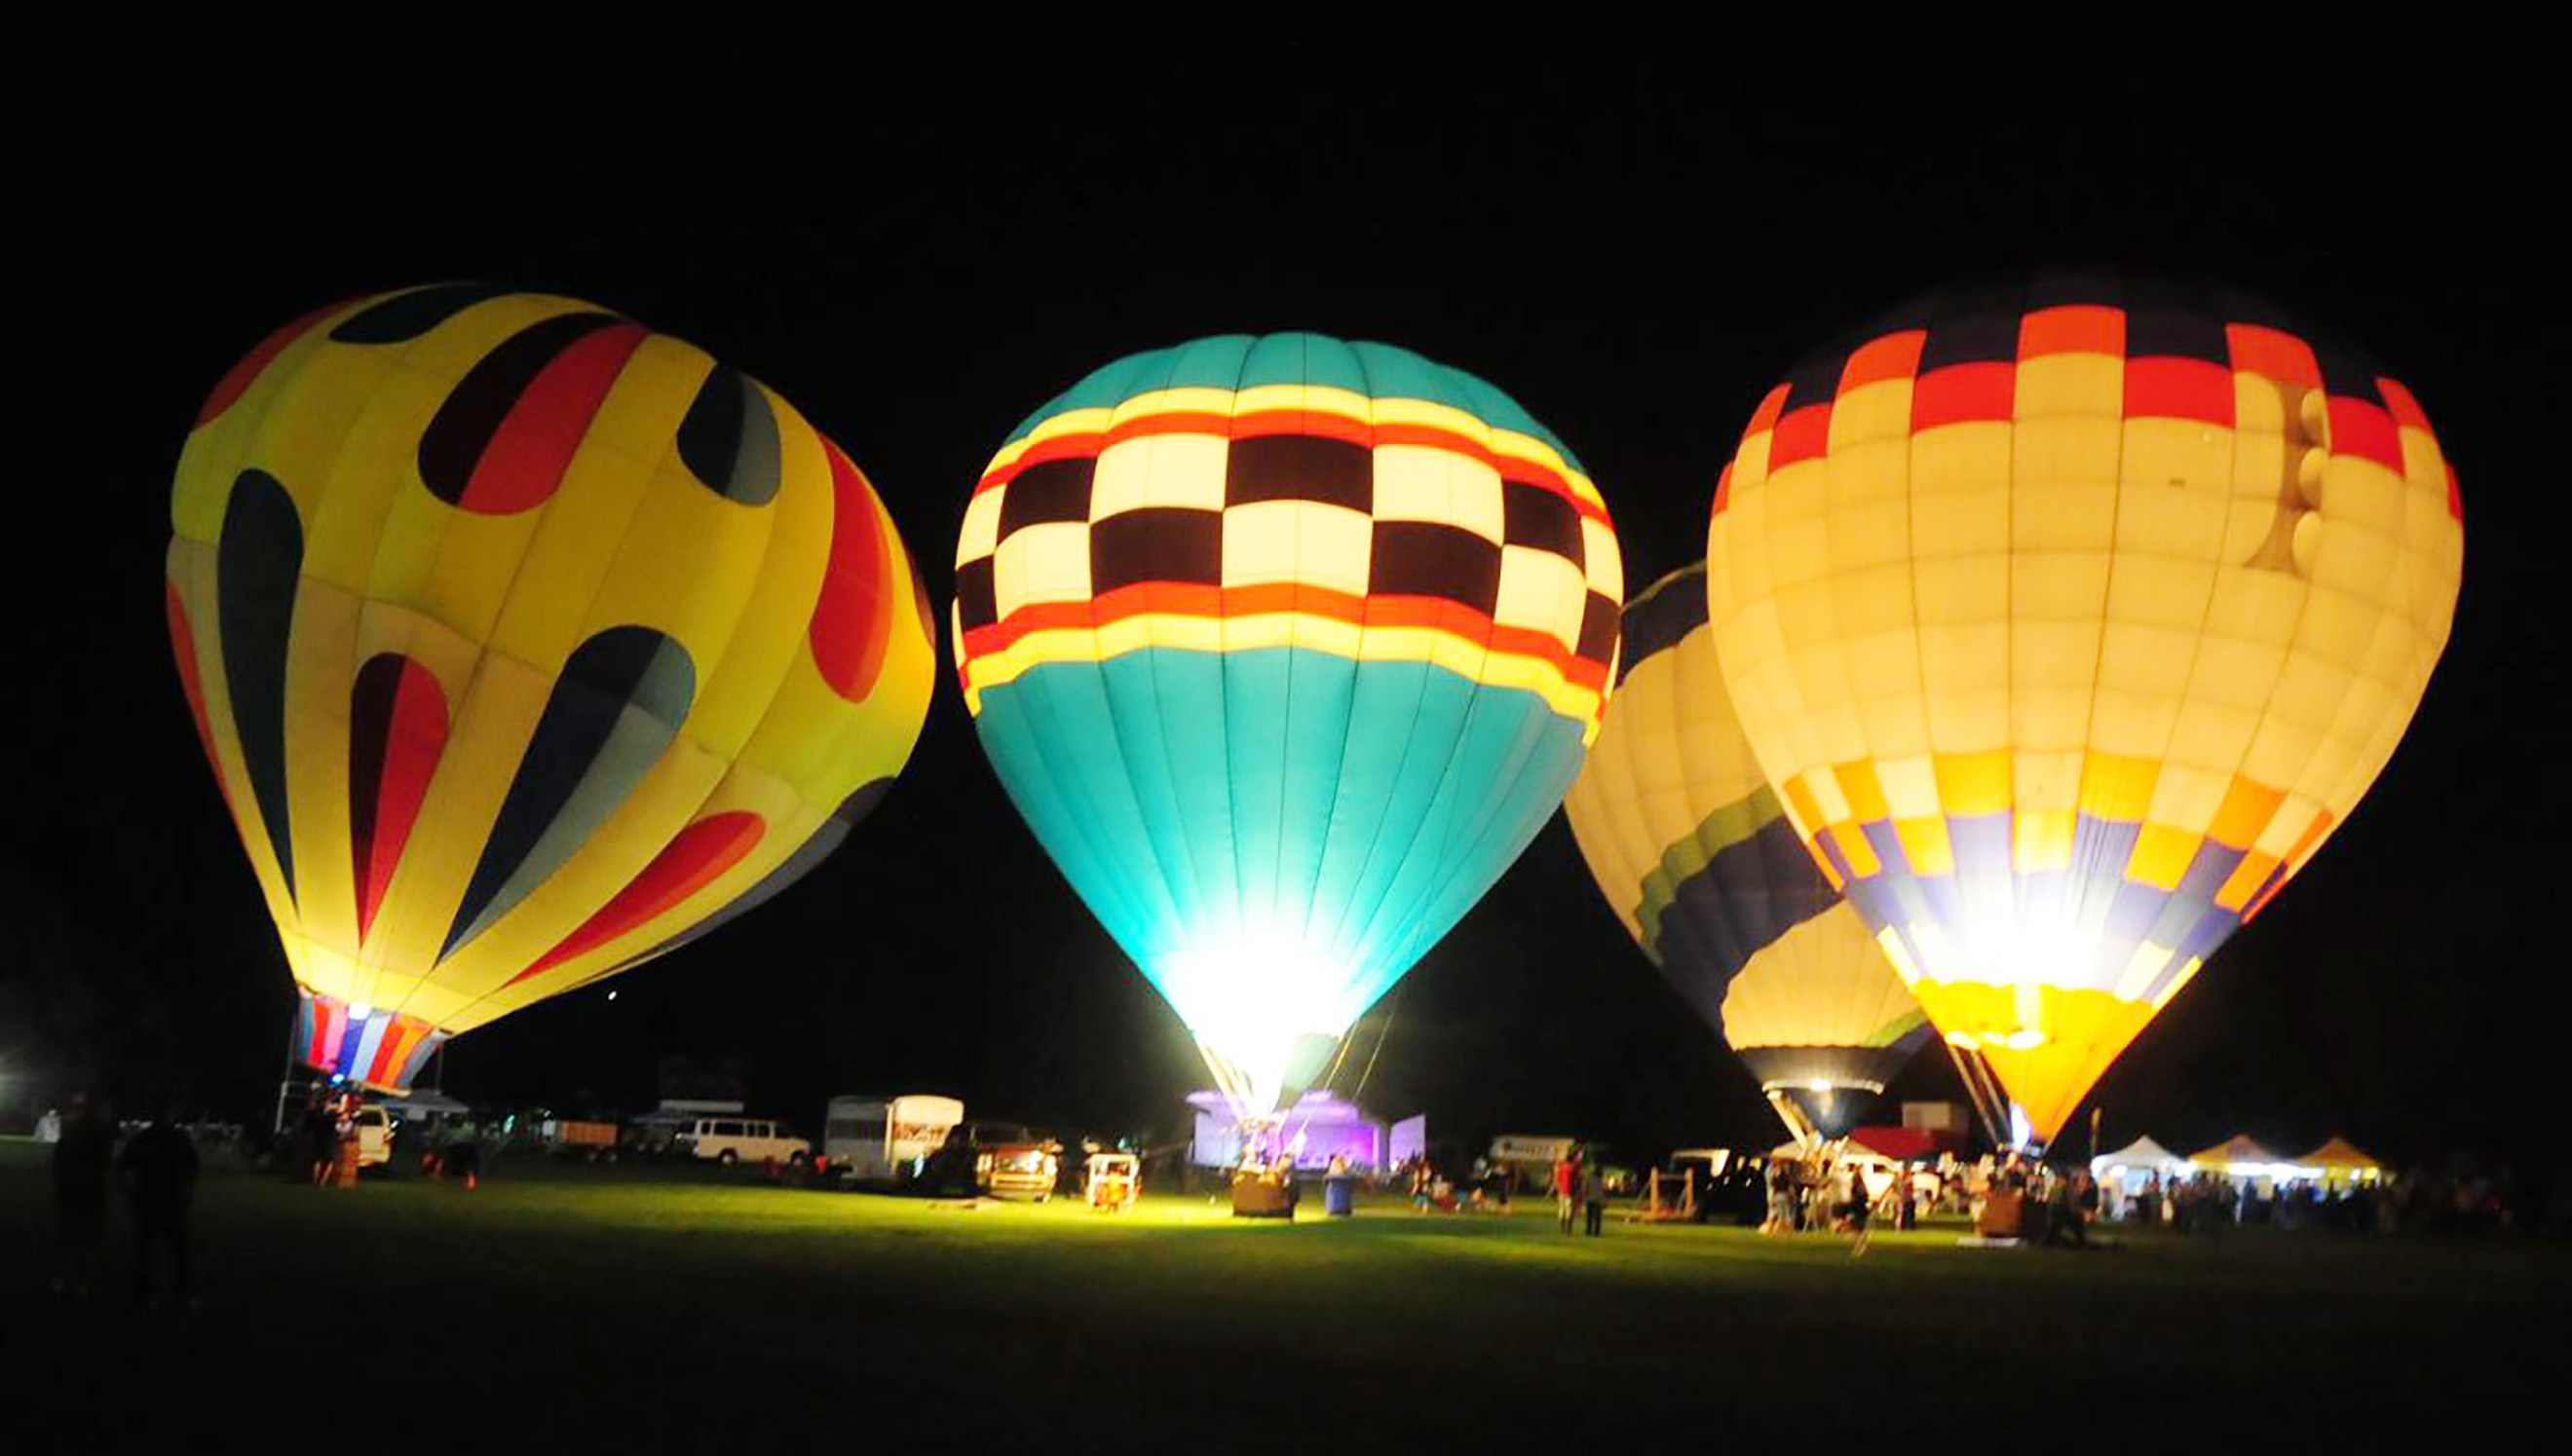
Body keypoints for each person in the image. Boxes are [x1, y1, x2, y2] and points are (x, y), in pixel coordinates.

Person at [119, 1103, 201, 1311]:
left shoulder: (144, 1138)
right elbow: (192, 1167)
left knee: (147, 1250)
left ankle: (146, 1295)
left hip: (149, 1201)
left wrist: (128, 1192)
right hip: (168, 1201)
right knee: (176, 1251)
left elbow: (122, 1166)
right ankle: (177, 1295)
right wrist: (188, 1191)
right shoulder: (177, 1138)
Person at [50, 1093, 113, 1299]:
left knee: (69, 1236)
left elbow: (56, 1163)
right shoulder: (99, 1134)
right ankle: (81, 1281)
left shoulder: (71, 1134)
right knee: (87, 1238)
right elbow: (105, 1164)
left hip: (74, 1190)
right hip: (90, 1190)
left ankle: (65, 1278)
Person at [1844, 1166, 1872, 1256]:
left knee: (1857, 1229)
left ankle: (1860, 1246)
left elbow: (1857, 1198)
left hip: (1858, 1209)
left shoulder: (1858, 1187)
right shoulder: (1861, 1186)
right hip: (1860, 1209)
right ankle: (1861, 1244)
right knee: (1859, 1228)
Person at [1554, 1151, 1579, 1234]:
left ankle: (1562, 1229)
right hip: (1569, 1191)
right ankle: (1568, 1229)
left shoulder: (1561, 1168)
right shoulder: (1572, 1169)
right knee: (1569, 1211)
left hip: (1561, 1191)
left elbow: (1557, 1180)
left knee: (1561, 1210)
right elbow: (1575, 1181)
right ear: (1571, 1160)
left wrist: (1558, 1189)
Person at [1581, 1157, 1607, 1237]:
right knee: (1598, 1218)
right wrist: (1604, 1200)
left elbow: (1585, 1188)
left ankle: (1588, 1231)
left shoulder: (1589, 1178)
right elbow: (1602, 1191)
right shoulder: (1601, 1180)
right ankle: (1596, 1232)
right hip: (1598, 1200)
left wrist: (1584, 1197)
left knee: (1589, 1217)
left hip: (1589, 1199)